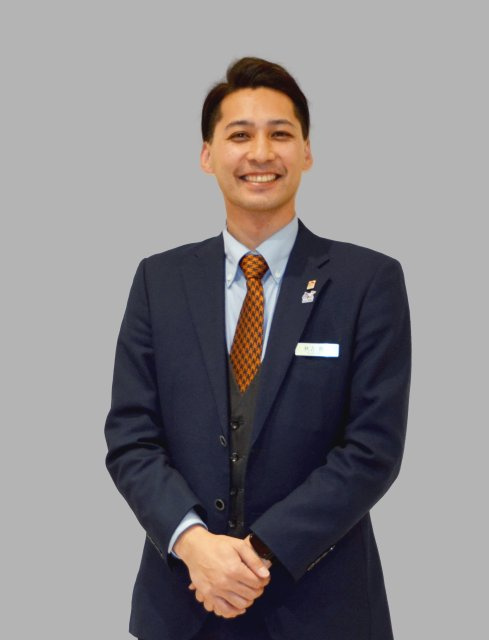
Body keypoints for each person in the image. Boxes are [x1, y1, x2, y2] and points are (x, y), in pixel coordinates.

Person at [104, 56, 412, 640]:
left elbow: (373, 449)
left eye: (281, 134)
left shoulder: (367, 281)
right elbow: (131, 437)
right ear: (207, 154)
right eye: (240, 135)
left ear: (307, 152)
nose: (261, 153)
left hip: (322, 608)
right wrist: (195, 546)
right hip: (183, 604)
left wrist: (256, 556)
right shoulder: (158, 281)